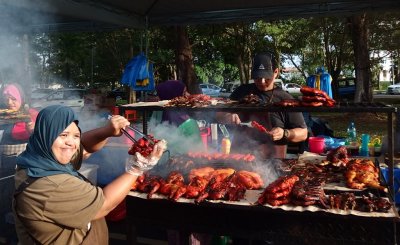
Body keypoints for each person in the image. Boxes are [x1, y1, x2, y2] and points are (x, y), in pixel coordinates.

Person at [12, 105, 167, 244]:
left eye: (75, 136)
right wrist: (137, 169)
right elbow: (104, 204)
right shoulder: (49, 185)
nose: (71, 143)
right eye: (63, 135)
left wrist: (107, 131)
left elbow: (84, 146)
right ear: (45, 136)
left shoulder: (41, 160)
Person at [217, 52, 308, 158]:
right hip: (239, 156)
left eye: (266, 78)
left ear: (276, 72)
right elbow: (218, 114)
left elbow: (303, 133)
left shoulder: (285, 99)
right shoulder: (241, 92)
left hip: (272, 160)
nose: (262, 81)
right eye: (258, 78)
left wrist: (285, 133)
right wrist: (226, 116)